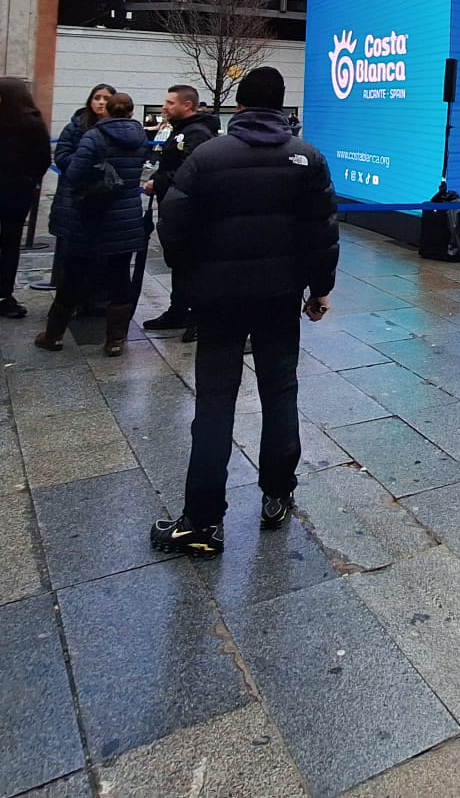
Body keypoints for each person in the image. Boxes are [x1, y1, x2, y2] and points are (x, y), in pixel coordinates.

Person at [152, 66, 338, 558]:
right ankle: (278, 493)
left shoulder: (207, 155)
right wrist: (319, 289)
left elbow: (172, 223)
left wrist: (191, 277)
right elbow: (322, 231)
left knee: (215, 401)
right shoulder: (306, 157)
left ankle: (202, 521)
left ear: (238, 104)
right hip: (279, 298)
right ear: (280, 107)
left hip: (219, 300)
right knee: (280, 392)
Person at [35, 90, 148, 356]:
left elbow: (73, 173)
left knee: (73, 274)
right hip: (126, 216)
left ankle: (54, 335)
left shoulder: (94, 136)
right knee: (120, 277)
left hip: (91, 216)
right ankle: (115, 340)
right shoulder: (141, 137)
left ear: (107, 110)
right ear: (131, 112)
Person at [142, 85, 221, 337]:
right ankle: (178, 311)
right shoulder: (181, 131)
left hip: (191, 212)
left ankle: (198, 317)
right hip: (175, 208)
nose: (164, 107)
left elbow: (193, 172)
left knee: (193, 264)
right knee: (180, 262)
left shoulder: (196, 133)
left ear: (187, 105)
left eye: (170, 103)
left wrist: (160, 182)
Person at [0, 78, 52, 319]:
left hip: (15, 189)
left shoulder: (31, 124)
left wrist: (28, 180)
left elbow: (42, 158)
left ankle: (5, 296)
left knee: (10, 243)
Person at [35, 83, 114, 296]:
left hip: (102, 195)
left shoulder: (116, 127)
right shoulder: (76, 125)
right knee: (69, 241)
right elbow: (61, 155)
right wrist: (84, 165)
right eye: (97, 97)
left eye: (106, 98)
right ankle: (66, 287)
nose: (101, 102)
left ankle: (94, 290)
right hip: (73, 192)